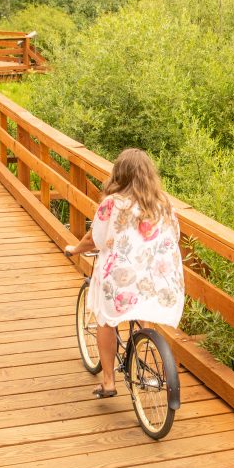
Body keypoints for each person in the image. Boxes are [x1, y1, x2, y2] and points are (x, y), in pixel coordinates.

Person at [65, 148, 185, 397]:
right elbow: (174, 236)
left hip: (120, 280)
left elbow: (94, 239)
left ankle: (108, 382)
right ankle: (145, 363)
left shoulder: (112, 203)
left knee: (105, 319)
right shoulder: (164, 204)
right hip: (159, 280)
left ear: (119, 174)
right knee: (142, 312)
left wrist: (74, 249)